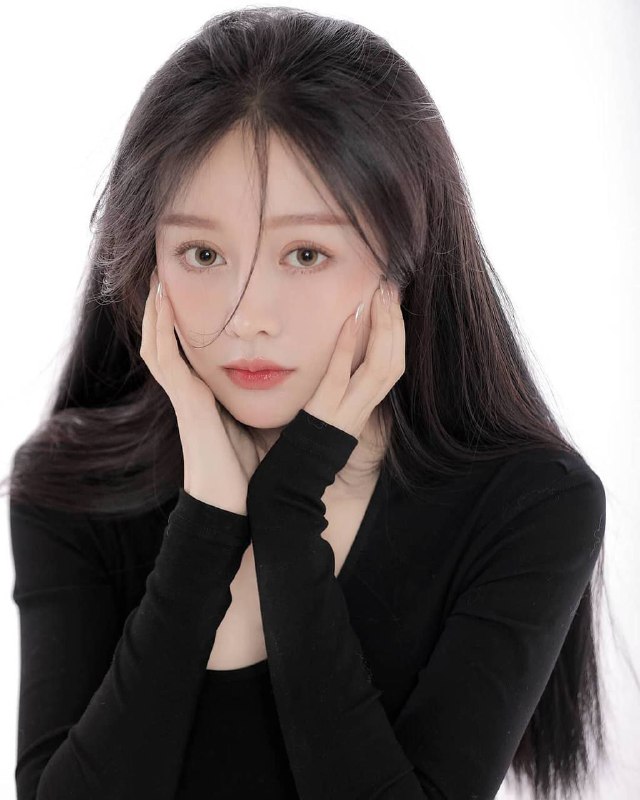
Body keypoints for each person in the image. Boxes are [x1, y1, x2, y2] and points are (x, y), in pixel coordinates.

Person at [5, 7, 607, 799]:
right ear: (147, 265)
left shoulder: (528, 505)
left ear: (405, 262)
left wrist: (287, 505)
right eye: (203, 253)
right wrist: (208, 521)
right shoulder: (72, 486)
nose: (249, 315)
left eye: (306, 253)